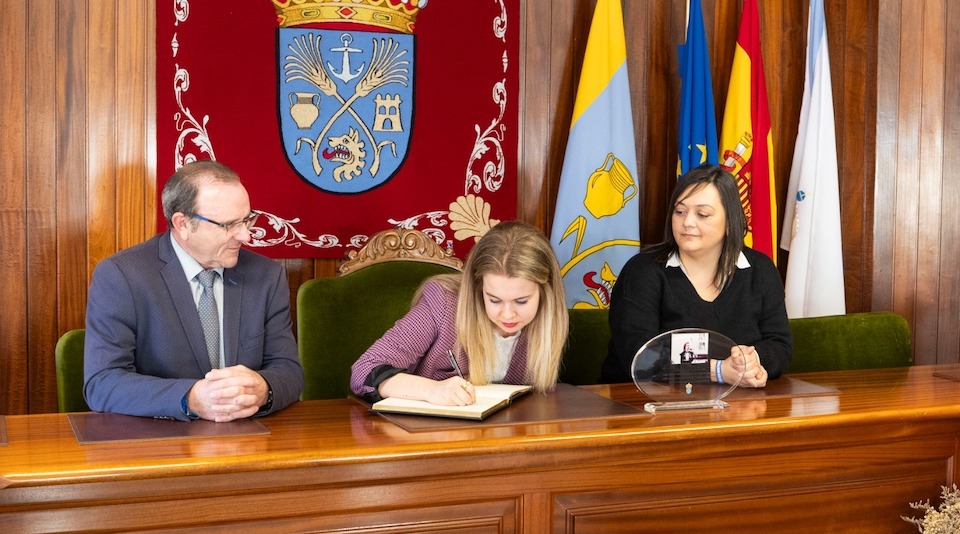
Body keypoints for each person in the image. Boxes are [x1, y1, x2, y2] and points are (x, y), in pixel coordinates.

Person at [84, 160, 304, 421]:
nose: (245, 235)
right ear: (183, 224)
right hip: (159, 444)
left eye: (247, 220)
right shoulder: (123, 276)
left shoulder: (266, 276)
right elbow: (102, 383)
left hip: (248, 440)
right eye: (229, 225)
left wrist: (263, 389)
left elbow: (289, 371)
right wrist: (191, 398)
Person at [601, 164, 792, 387]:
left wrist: (749, 362)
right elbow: (638, 356)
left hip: (737, 406)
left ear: (731, 221)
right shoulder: (642, 271)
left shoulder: (760, 270)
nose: (687, 222)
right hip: (641, 405)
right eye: (680, 211)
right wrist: (717, 371)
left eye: (702, 214)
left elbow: (779, 344)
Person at [350, 221, 568, 405]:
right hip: (433, 439)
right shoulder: (443, 304)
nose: (508, 315)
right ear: (477, 286)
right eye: (494, 300)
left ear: (545, 292)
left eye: (521, 301)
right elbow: (364, 371)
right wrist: (432, 391)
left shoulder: (547, 321)